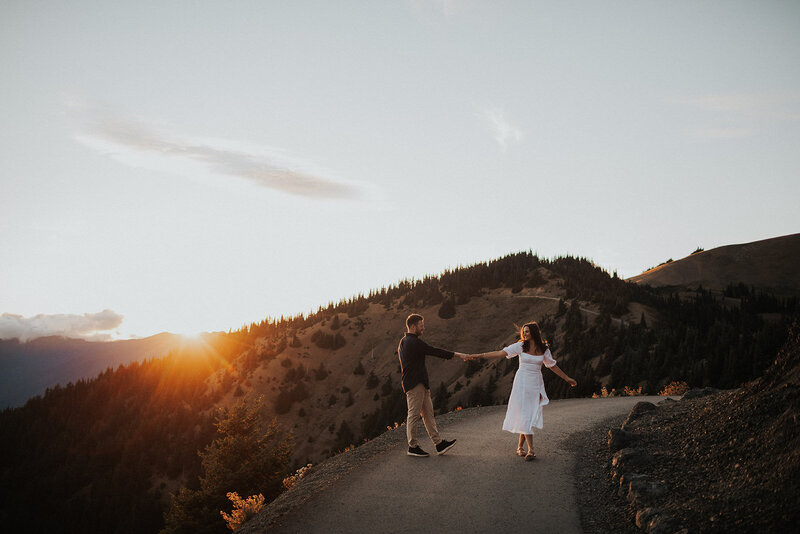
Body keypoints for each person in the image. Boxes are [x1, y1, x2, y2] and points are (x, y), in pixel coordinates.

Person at [468, 322, 576, 460]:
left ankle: (520, 447)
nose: (524, 334)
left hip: (535, 384)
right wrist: (480, 355)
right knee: (525, 414)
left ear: (534, 332)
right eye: (523, 332)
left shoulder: (544, 348)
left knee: (528, 415)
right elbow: (501, 353)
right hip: (521, 383)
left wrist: (567, 379)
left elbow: (552, 366)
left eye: (527, 331)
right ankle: (531, 450)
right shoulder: (520, 346)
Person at [398, 313, 468, 457]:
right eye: (421, 325)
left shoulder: (405, 341)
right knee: (413, 415)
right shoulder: (413, 342)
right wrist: (459, 355)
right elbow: (435, 351)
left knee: (428, 415)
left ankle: (439, 444)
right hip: (414, 384)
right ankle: (412, 446)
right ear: (413, 326)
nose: (423, 328)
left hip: (421, 383)